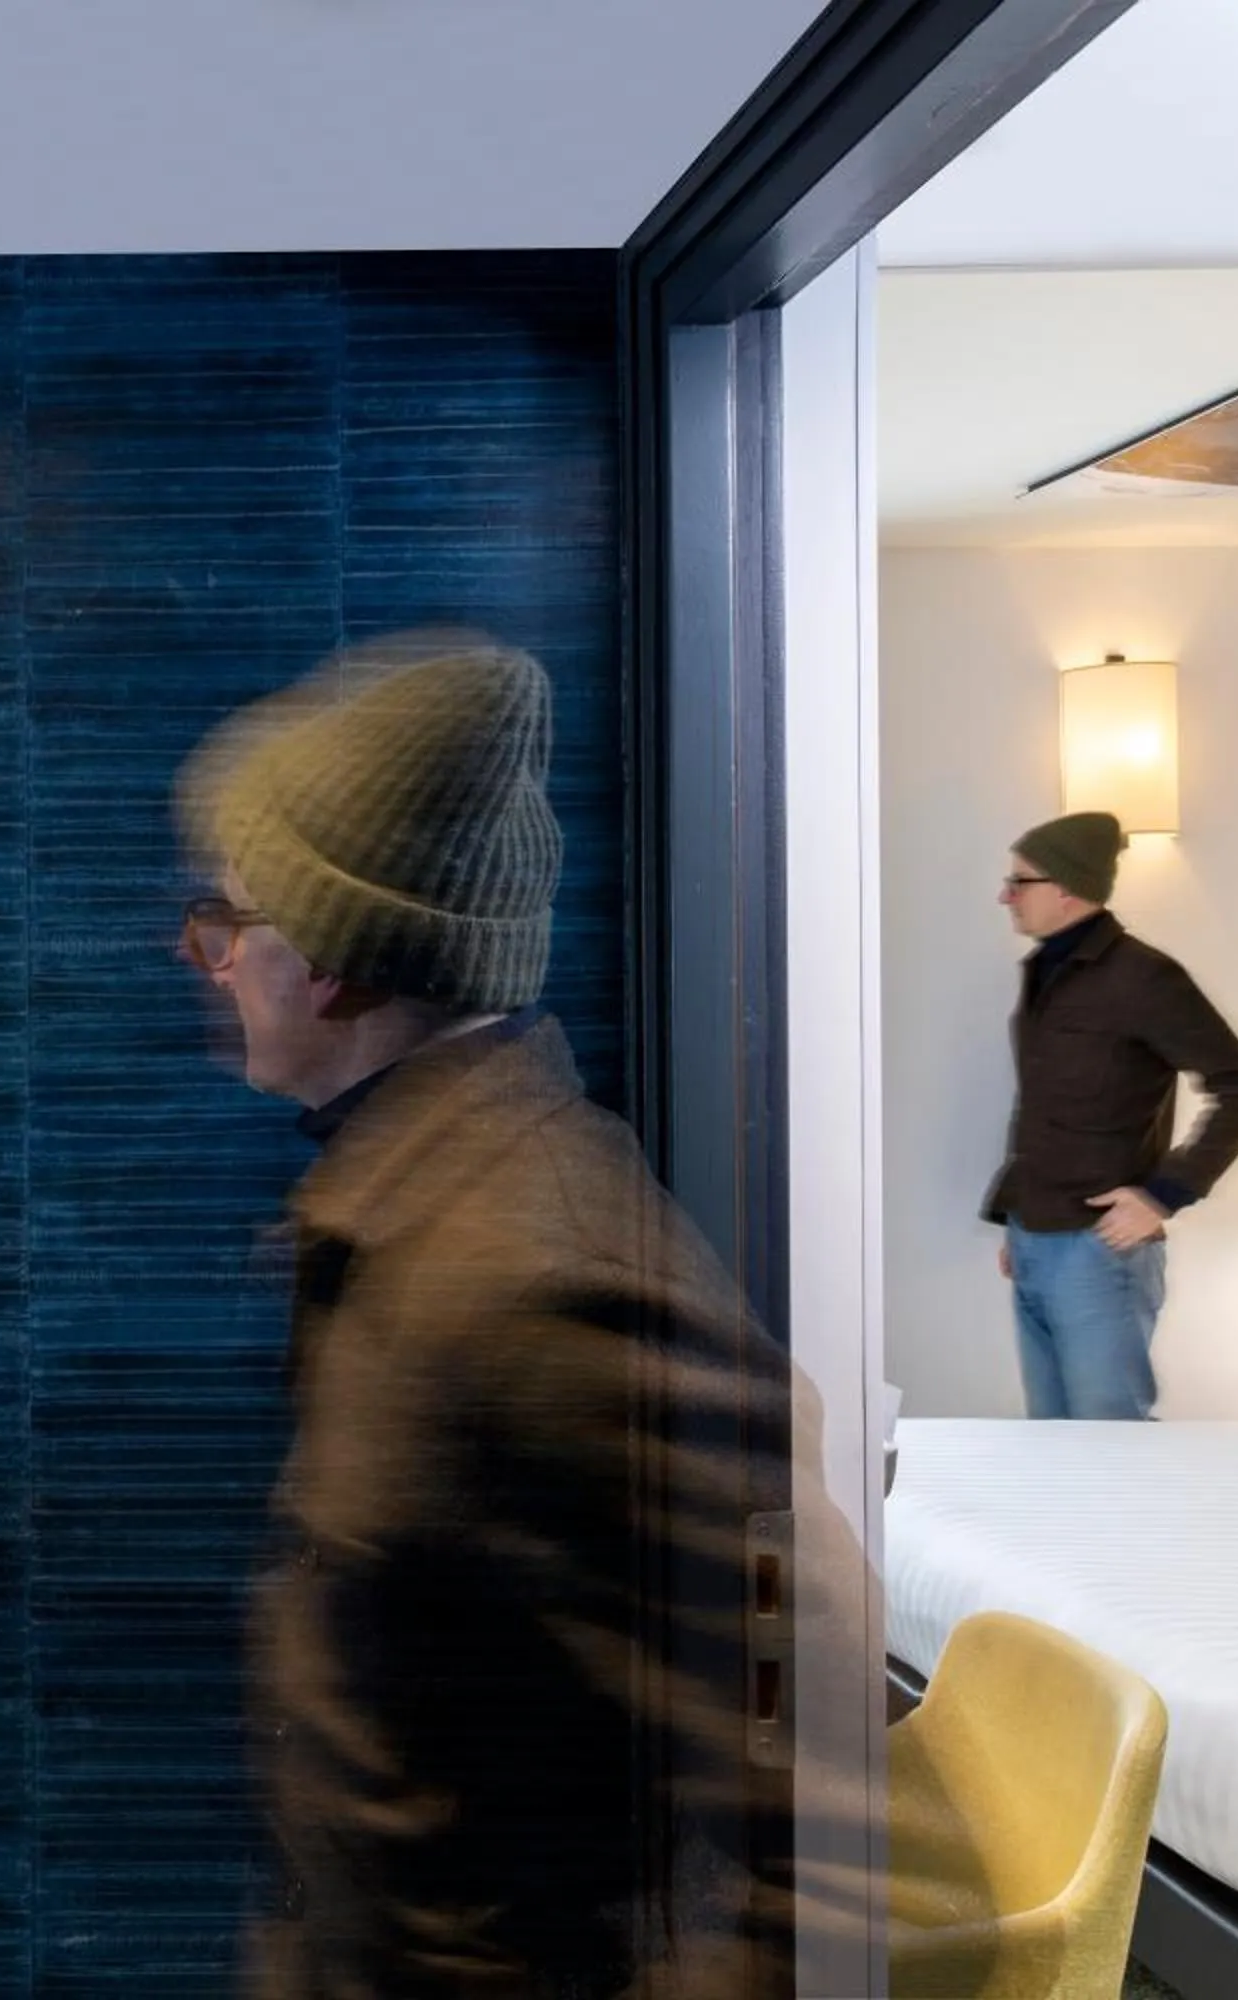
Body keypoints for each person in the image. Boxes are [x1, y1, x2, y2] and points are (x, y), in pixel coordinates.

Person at [178, 634, 862, 2000]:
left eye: (226, 925)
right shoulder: (409, 1204)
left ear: (328, 963)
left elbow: (828, 1812)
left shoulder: (545, 1285)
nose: (202, 960)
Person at [987, 811, 1238, 1422]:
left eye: (1020, 881)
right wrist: (1022, 1213)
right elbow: (1045, 1103)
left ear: (1066, 888)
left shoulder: (1143, 977)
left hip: (1095, 1253)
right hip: (1037, 1239)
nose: (1005, 895)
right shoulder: (1048, 972)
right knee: (1053, 1441)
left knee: (1108, 1442)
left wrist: (1162, 1195)